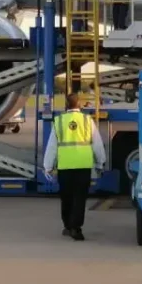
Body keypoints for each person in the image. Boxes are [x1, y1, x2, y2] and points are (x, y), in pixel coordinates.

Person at [42, 93, 106, 241]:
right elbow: (97, 143)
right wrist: (100, 162)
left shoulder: (58, 122)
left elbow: (52, 146)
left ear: (66, 105)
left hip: (65, 167)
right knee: (80, 198)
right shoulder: (87, 120)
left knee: (66, 197)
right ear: (80, 104)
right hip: (83, 166)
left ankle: (67, 225)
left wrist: (48, 166)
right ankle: (76, 228)